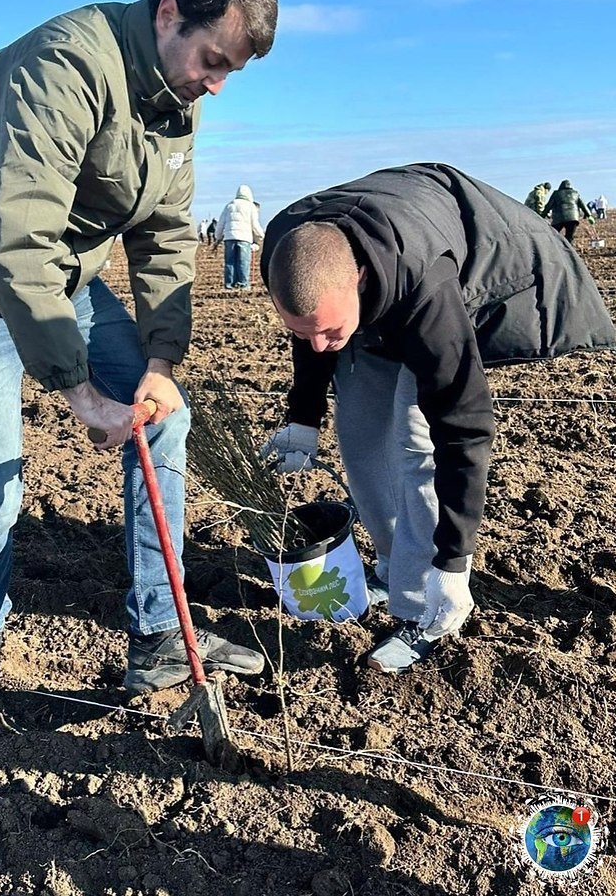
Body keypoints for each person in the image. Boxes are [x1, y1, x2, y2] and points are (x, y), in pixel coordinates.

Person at [0, 0, 278, 709]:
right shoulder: (65, 64)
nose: (216, 87)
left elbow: (167, 233)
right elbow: (17, 236)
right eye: (213, 61)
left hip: (67, 280)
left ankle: (156, 637)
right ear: (169, 13)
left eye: (230, 73)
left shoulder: (176, 99)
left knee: (161, 419)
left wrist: (159, 364)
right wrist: (79, 392)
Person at [260, 163, 615, 674]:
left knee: (412, 443)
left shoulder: (429, 291)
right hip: (381, 292)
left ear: (357, 280)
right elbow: (315, 326)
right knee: (359, 437)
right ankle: (390, 566)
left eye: (329, 329)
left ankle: (419, 606)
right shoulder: (287, 246)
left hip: (473, 273)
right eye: (301, 332)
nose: (317, 346)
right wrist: (304, 416)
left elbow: (464, 428)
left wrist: (454, 562)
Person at [214, 184, 265, 289]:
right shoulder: (250, 206)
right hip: (244, 238)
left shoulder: (229, 205)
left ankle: (229, 284)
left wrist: (217, 236)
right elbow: (254, 224)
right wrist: (261, 235)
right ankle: (243, 284)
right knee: (243, 262)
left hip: (229, 238)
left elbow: (221, 223)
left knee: (230, 262)